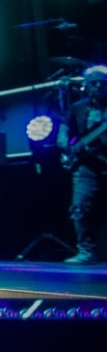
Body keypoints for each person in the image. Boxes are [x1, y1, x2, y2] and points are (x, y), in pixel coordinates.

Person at [58, 64, 107, 264]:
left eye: (100, 83)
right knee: (80, 207)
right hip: (86, 164)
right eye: (92, 83)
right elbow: (64, 128)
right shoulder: (78, 107)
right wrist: (64, 143)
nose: (96, 87)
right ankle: (86, 251)